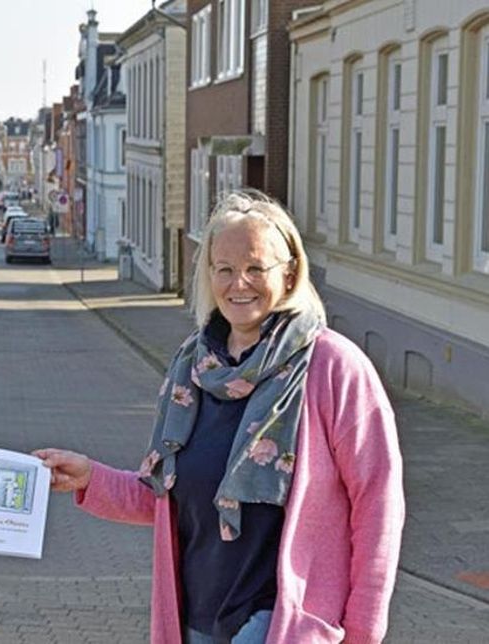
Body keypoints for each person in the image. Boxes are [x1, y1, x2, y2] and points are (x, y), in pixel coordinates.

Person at [35, 191, 404, 644]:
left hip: (282, 626)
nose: (238, 283)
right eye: (224, 269)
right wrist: (90, 477)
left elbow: (378, 504)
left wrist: (364, 631)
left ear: (289, 274)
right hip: (196, 622)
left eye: (255, 268)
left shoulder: (332, 367)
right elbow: (167, 498)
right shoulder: (192, 368)